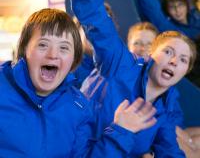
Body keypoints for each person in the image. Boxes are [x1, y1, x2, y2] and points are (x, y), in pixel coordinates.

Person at [69, 0, 197, 157]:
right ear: (150, 55)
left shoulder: (165, 105)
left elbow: (169, 149)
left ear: (184, 72)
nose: (174, 61)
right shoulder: (119, 64)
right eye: (168, 52)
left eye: (183, 60)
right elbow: (93, 13)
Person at [0, 8, 158, 157]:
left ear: (73, 59)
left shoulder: (79, 107)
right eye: (43, 45)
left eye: (64, 48)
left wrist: (121, 131)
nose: (53, 54)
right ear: (24, 49)